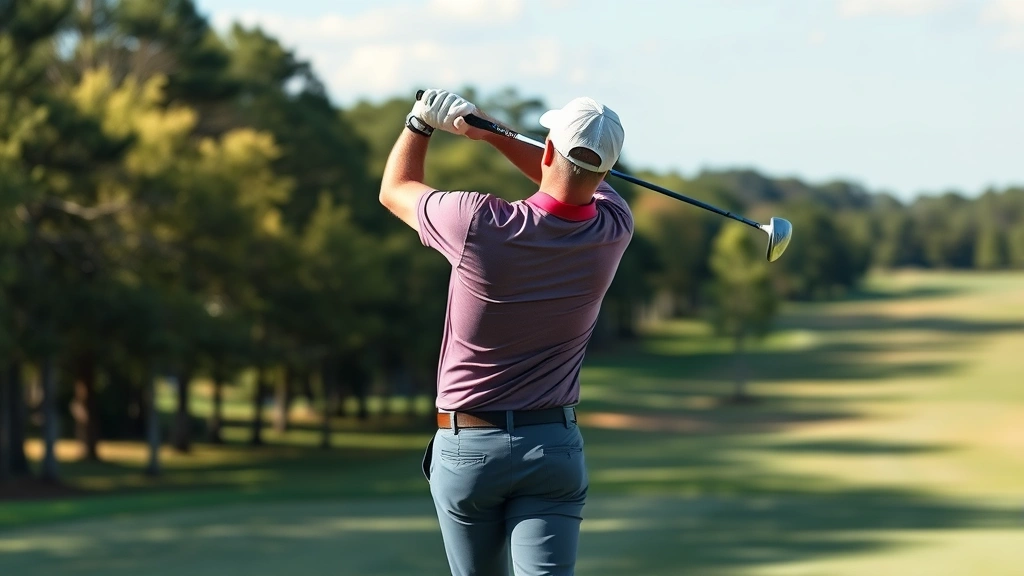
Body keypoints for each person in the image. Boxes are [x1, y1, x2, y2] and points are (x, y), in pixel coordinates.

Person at [379, 88, 633, 576]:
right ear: (608, 172)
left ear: (548, 148)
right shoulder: (614, 228)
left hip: (469, 447)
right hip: (553, 448)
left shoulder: (477, 222)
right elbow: (571, 178)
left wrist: (421, 124)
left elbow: (396, 188)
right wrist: (493, 132)